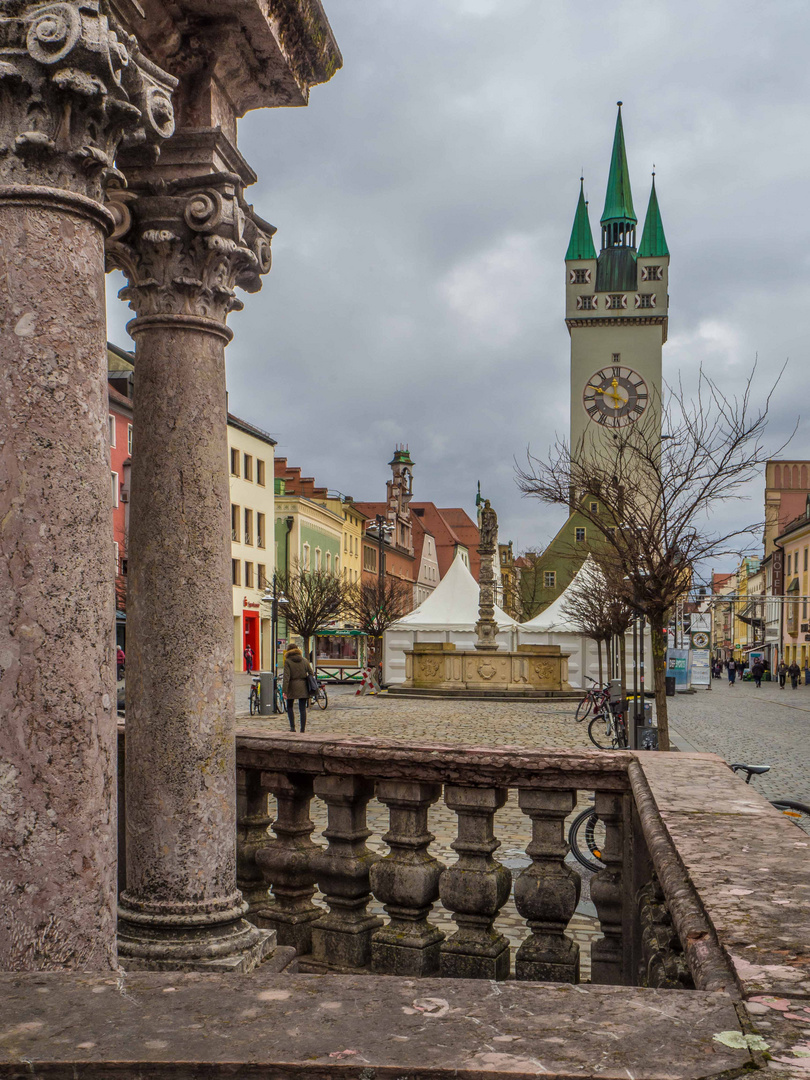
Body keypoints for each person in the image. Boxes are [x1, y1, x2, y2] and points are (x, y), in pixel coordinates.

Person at [283, 644, 313, 733]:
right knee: (302, 708)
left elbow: (286, 677)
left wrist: (284, 690)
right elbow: (311, 673)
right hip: (303, 685)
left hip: (291, 686)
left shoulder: (288, 661)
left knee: (289, 706)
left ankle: (292, 727)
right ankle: (302, 729)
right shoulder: (304, 660)